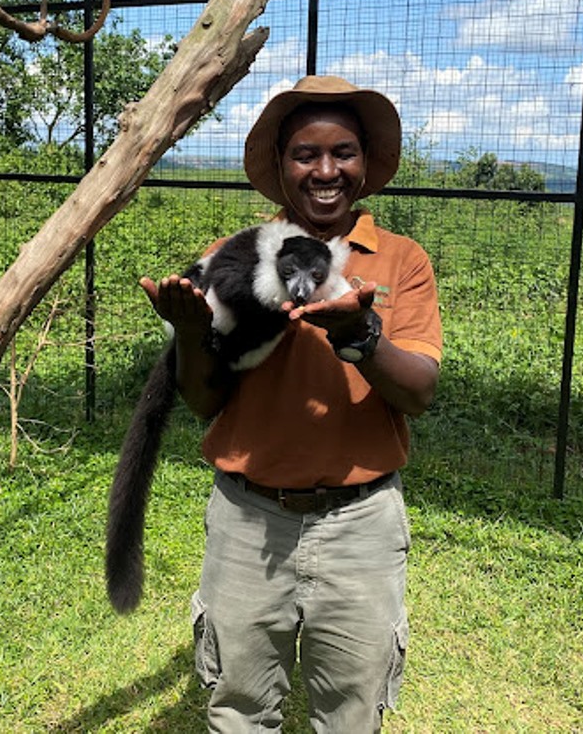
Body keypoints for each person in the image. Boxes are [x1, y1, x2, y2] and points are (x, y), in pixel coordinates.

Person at [139, 75, 443, 732]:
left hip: (360, 528)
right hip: (249, 521)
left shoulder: (399, 260)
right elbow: (204, 399)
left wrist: (359, 336)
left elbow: (418, 391)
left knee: (352, 712)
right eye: (306, 154)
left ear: (364, 163)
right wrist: (194, 335)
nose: (326, 170)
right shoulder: (235, 253)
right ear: (281, 166)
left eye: (343, 152)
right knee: (241, 708)